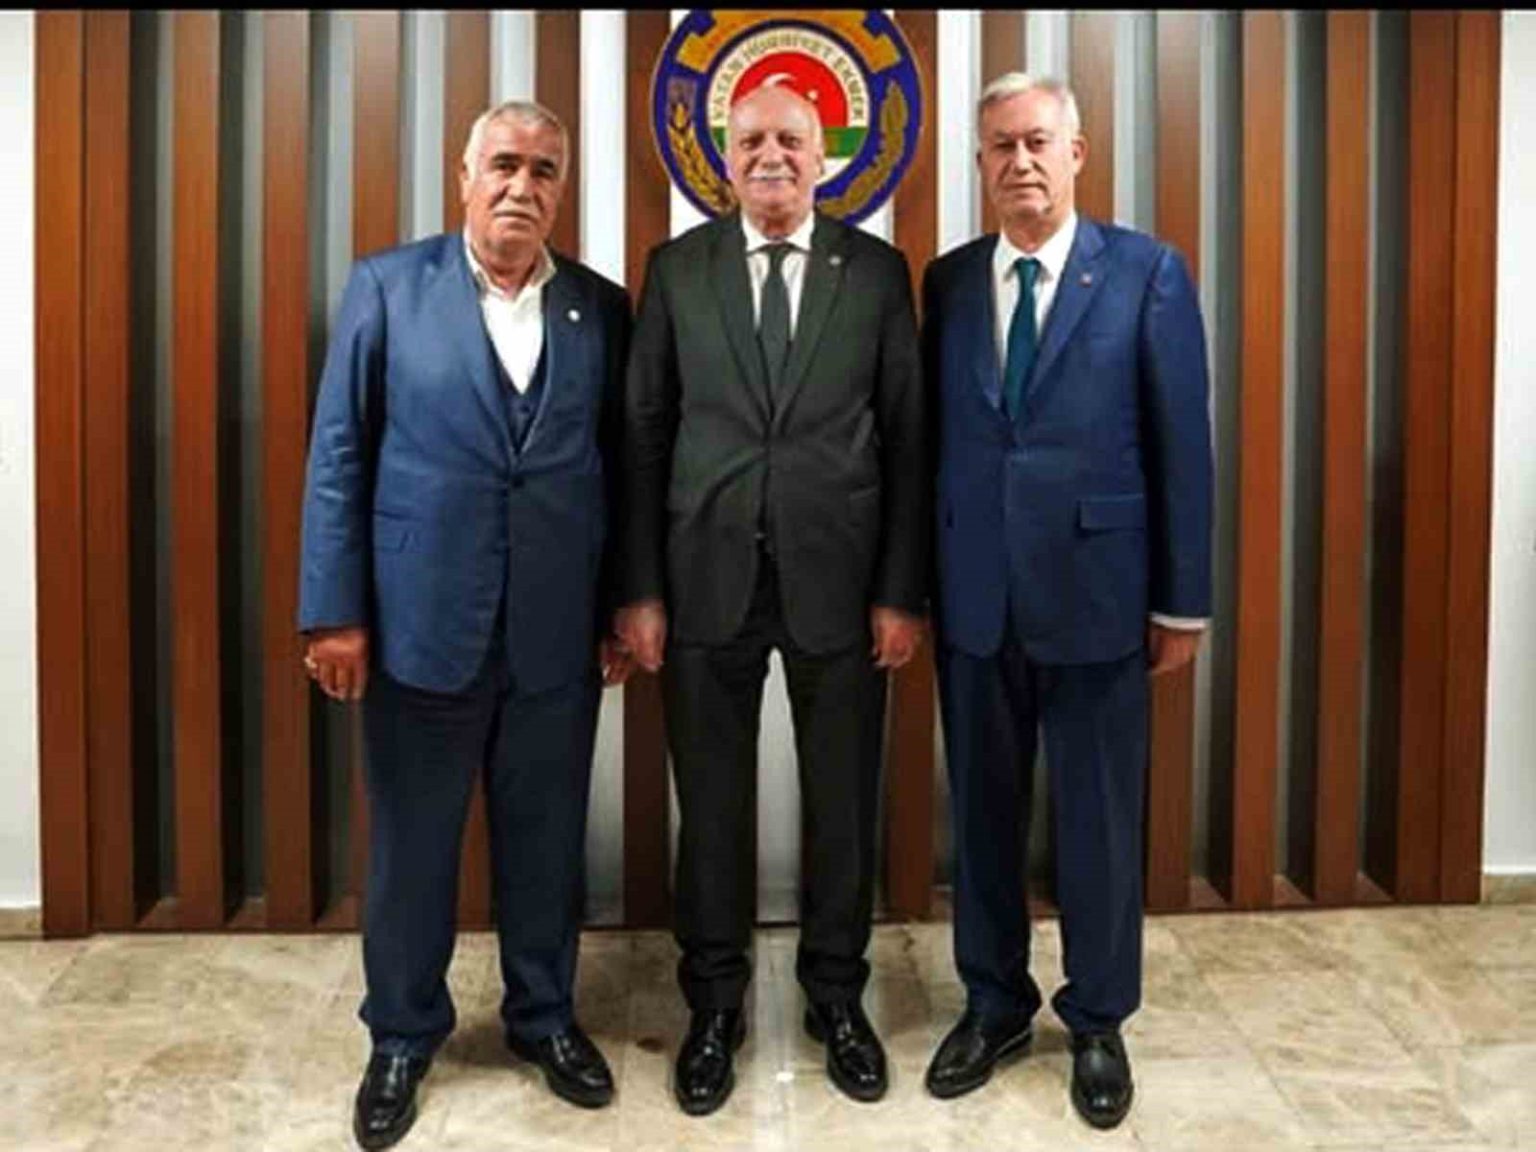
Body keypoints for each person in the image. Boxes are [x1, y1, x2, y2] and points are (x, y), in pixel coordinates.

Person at [298, 100, 632, 1151]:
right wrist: (334, 612)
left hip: (554, 635)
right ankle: (402, 1035)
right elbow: (339, 452)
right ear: (465, 176)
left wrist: (621, 604)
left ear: (561, 188)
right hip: (417, 627)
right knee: (413, 847)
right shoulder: (388, 288)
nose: (522, 187)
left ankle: (544, 1018)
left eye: (544, 170)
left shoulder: (600, 308)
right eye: (504, 165)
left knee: (546, 844)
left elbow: (621, 472)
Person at [615, 85, 927, 1115]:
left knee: (843, 803)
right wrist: (639, 590)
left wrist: (899, 591)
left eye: (791, 139)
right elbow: (643, 435)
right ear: (724, 158)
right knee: (710, 810)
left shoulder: (875, 272)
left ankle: (837, 996)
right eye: (751, 140)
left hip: (843, 585)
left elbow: (908, 439)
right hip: (703, 582)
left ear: (824, 155)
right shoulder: (676, 270)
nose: (771, 155)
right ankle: (714, 1006)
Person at [920, 73, 1213, 1129]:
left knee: (1097, 822)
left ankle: (1097, 1018)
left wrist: (1183, 603)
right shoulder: (950, 282)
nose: (1021, 162)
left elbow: (1183, 445)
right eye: (1001, 146)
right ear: (981, 164)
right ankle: (994, 1004)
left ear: (1077, 153)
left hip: (1100, 597)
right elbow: (937, 444)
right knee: (982, 818)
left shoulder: (1144, 273)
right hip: (976, 598)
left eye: (1038, 141)